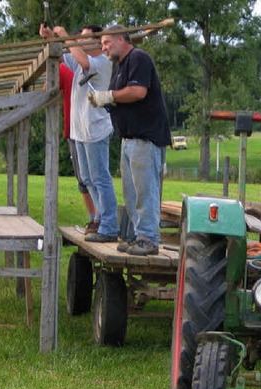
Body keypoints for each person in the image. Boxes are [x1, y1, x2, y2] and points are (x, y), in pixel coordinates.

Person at [88, 26, 171, 256]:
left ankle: (149, 238)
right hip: (129, 138)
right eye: (102, 44)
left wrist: (110, 96)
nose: (104, 48)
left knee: (145, 191)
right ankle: (137, 236)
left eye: (107, 42)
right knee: (131, 193)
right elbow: (122, 97)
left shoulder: (138, 58)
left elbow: (137, 92)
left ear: (121, 39)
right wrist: (105, 101)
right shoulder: (120, 66)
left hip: (145, 137)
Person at [40, 23, 119, 242]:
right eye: (79, 38)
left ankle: (110, 226)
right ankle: (102, 219)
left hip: (96, 129)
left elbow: (82, 60)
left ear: (97, 42)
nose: (81, 41)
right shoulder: (80, 60)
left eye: (85, 38)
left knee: (100, 177)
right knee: (87, 178)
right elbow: (64, 54)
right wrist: (50, 38)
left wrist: (64, 34)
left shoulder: (101, 63)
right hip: (80, 131)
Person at [59, 61, 99, 234]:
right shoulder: (85, 66)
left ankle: (96, 218)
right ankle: (98, 218)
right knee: (92, 176)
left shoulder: (62, 68)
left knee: (86, 178)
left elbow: (47, 89)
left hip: (76, 128)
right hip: (87, 127)